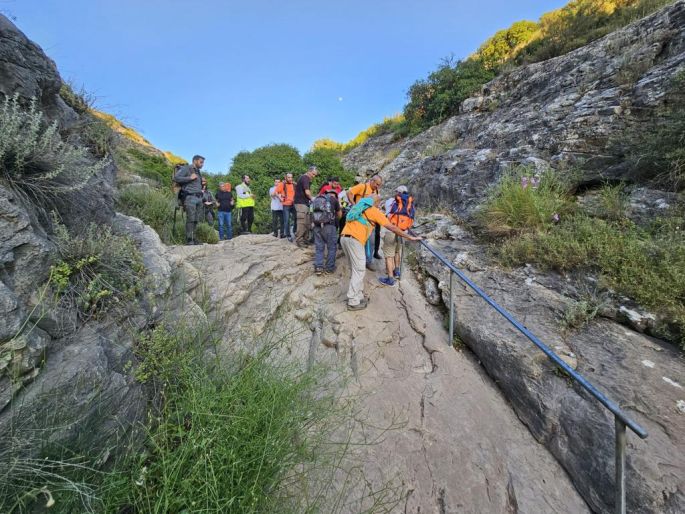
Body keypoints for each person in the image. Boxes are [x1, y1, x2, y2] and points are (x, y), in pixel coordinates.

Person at [340, 194, 421, 310]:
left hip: (344, 238)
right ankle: (353, 301)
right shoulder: (374, 211)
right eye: (379, 204)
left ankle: (358, 295)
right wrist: (409, 237)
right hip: (355, 240)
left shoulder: (358, 207)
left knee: (355, 269)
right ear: (376, 203)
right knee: (359, 269)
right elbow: (392, 227)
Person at [346, 175, 383, 269]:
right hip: (359, 219)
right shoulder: (362, 186)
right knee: (357, 240)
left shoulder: (376, 191)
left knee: (371, 241)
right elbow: (349, 192)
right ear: (372, 181)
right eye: (377, 184)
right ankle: (355, 259)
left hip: (370, 220)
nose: (378, 187)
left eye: (379, 185)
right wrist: (354, 205)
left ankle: (368, 261)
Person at [378, 186, 410, 286]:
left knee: (388, 255)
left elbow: (386, 212)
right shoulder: (408, 203)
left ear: (397, 192)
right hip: (403, 231)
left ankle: (390, 279)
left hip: (391, 230)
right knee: (397, 251)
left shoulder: (391, 201)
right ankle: (397, 271)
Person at [174, 154, 205, 245]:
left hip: (199, 198)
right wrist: (189, 178)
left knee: (196, 219)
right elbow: (176, 178)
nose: (202, 164)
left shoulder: (198, 171)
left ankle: (193, 238)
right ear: (195, 161)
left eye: (203, 163)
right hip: (190, 197)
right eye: (201, 162)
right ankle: (189, 239)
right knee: (191, 218)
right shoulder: (187, 168)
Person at [312, 189, 342, 275]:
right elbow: (339, 214)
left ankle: (319, 267)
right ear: (335, 195)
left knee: (319, 247)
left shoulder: (316, 199)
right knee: (332, 247)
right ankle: (329, 268)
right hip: (329, 226)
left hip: (317, 226)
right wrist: (335, 220)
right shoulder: (334, 200)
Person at [294, 165, 318, 247]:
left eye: (315, 175)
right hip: (301, 203)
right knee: (302, 222)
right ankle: (299, 241)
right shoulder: (305, 178)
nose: (314, 176)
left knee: (307, 222)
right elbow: (307, 192)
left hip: (305, 203)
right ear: (309, 171)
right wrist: (312, 198)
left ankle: (305, 239)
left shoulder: (304, 178)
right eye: (313, 174)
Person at [276, 173, 296, 240]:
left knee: (296, 218)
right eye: (289, 177)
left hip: (293, 204)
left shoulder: (294, 184)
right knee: (287, 220)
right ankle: (288, 235)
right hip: (286, 205)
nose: (290, 179)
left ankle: (294, 231)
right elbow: (276, 192)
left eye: (291, 177)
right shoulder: (282, 184)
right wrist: (280, 198)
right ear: (285, 178)